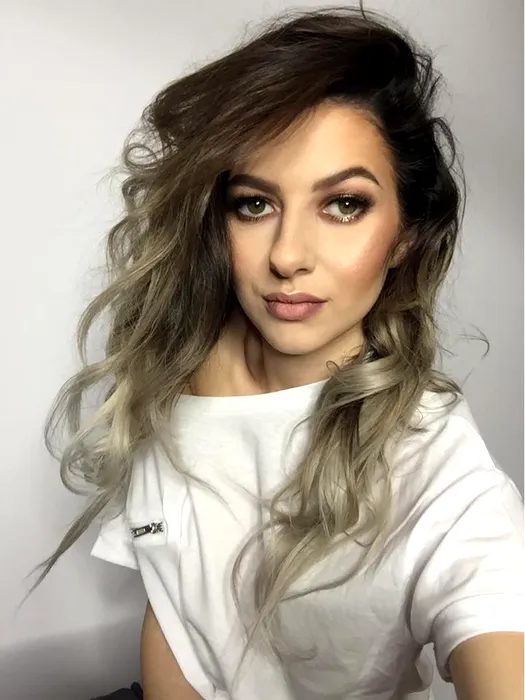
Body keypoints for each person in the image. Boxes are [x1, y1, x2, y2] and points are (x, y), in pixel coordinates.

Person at [32, 5, 523, 700]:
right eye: (254, 204)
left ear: (406, 236)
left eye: (344, 204)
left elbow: (491, 600)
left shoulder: (438, 469)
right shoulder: (173, 370)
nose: (288, 256)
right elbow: (178, 612)